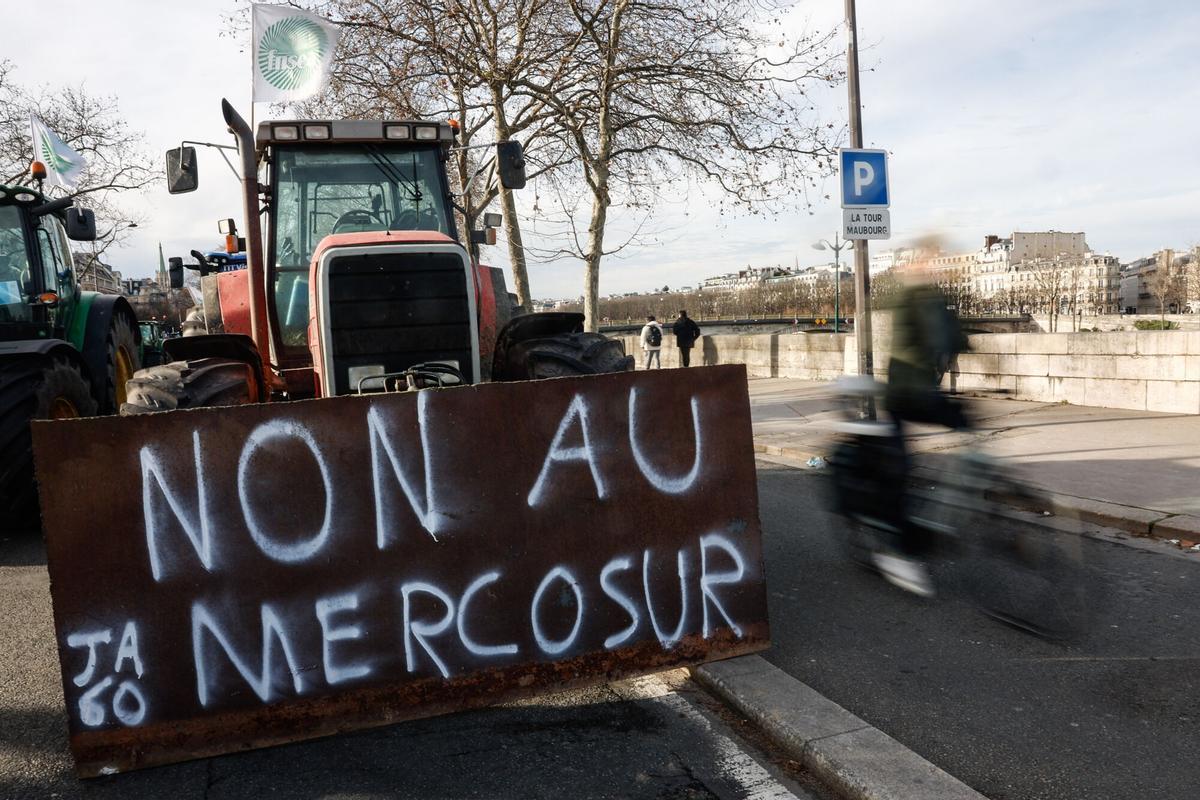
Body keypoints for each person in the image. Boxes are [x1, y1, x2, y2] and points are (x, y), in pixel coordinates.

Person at [875, 266, 969, 597]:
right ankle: (897, 553)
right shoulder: (906, 299)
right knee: (900, 467)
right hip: (903, 394)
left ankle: (947, 515)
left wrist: (959, 340)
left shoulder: (936, 300)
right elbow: (913, 340)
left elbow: (955, 336)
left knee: (971, 431)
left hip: (927, 391)